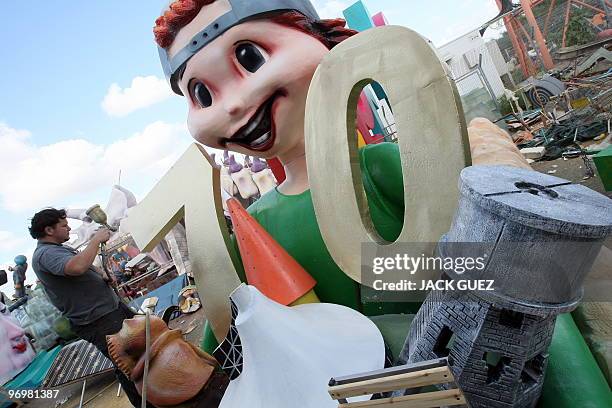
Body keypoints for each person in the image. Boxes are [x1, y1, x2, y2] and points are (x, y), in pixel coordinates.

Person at [28, 208, 146, 407]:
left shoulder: (59, 249)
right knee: (127, 365)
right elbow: (75, 267)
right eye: (64, 226)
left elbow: (84, 265)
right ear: (49, 230)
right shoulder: (45, 254)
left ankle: (158, 395)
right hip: (98, 320)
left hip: (109, 310)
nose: (69, 228)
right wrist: (95, 240)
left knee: (139, 355)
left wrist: (101, 273)